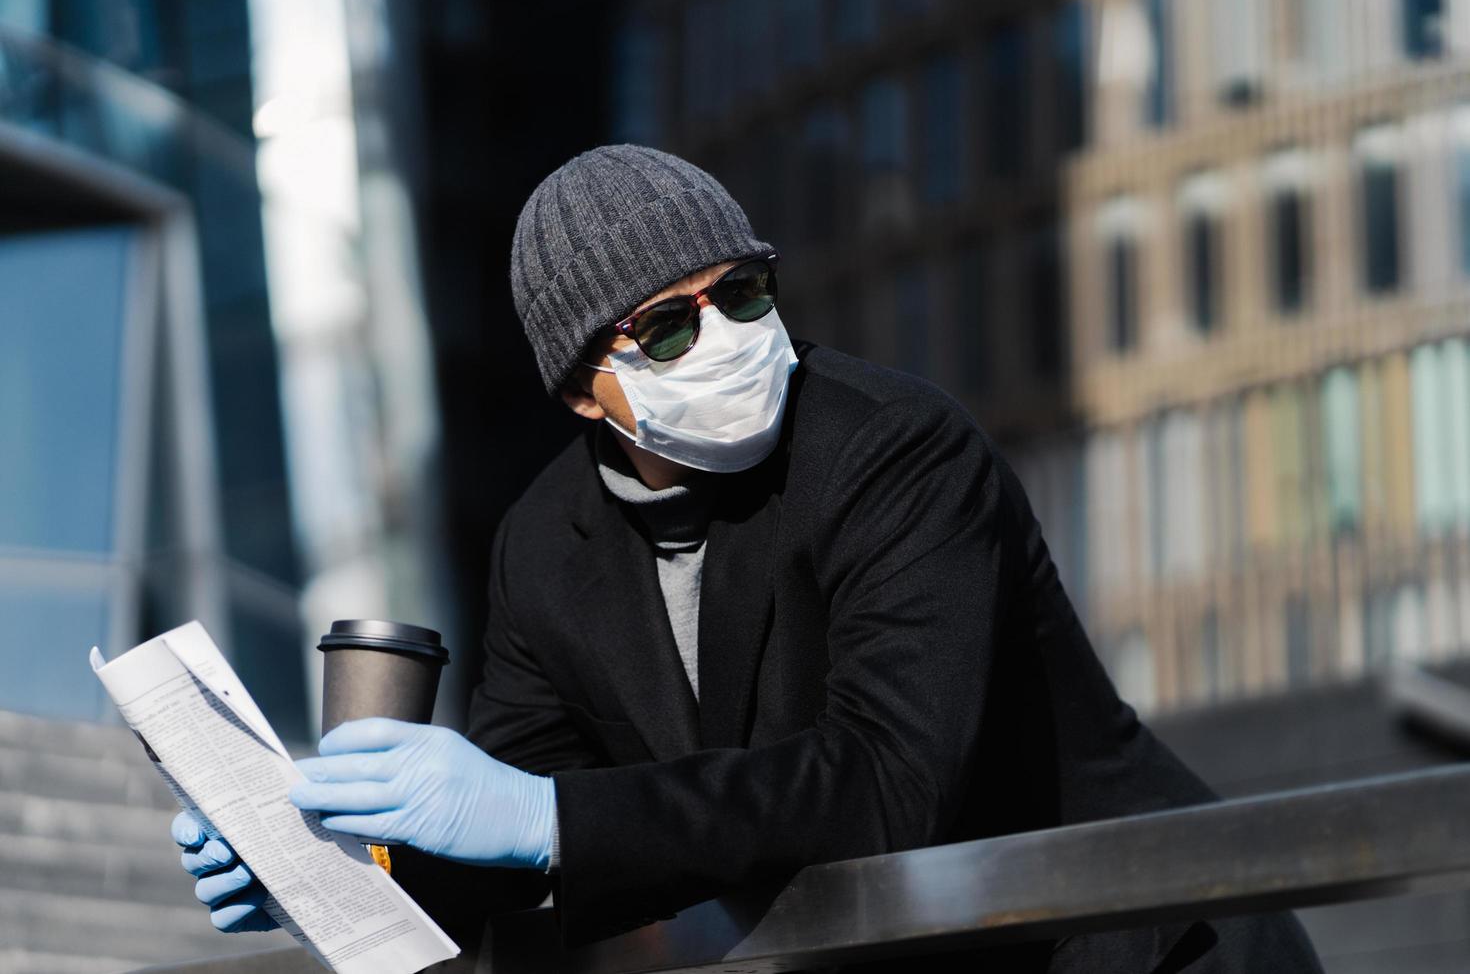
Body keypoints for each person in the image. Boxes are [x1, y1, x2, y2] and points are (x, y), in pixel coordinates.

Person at [171, 144, 1323, 971]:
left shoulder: (896, 449)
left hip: (1142, 947)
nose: (722, 337)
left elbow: (885, 782)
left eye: (740, 292)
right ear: (584, 388)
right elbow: (522, 826)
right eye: (667, 327)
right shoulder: (545, 546)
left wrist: (544, 816)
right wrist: (330, 860)